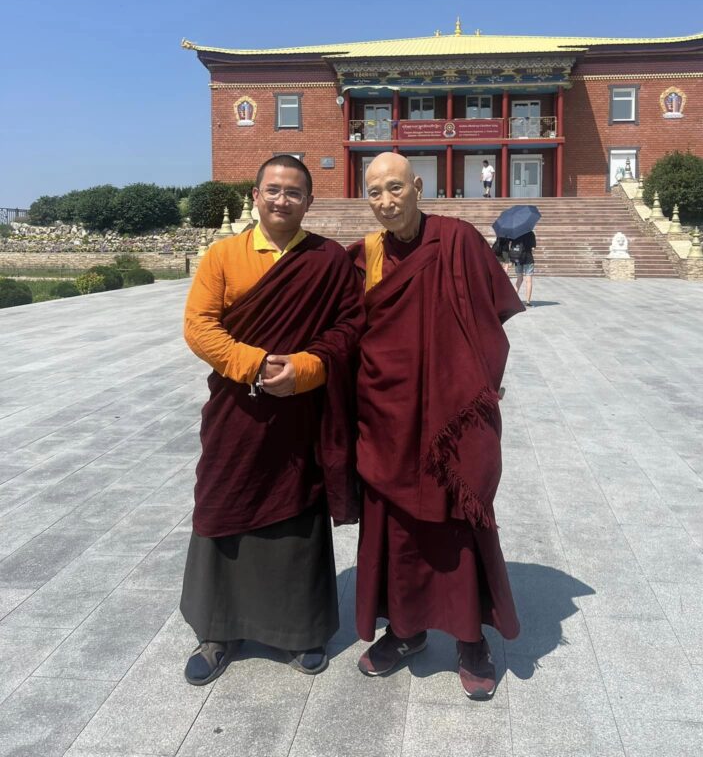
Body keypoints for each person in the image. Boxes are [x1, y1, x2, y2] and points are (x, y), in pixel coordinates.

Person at [180, 155, 363, 685]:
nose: (282, 200)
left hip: (299, 413)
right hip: (238, 407)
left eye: (294, 192)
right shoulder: (224, 256)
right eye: (273, 190)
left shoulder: (328, 260)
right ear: (256, 196)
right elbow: (199, 327)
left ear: (310, 201)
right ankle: (217, 631)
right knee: (221, 502)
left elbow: (351, 326)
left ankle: (301, 630)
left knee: (296, 508)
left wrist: (306, 369)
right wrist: (254, 366)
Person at [348, 152, 524, 700]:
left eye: (395, 187)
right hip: (389, 417)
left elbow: (490, 319)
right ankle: (405, 632)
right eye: (374, 191)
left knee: (457, 521)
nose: (385, 201)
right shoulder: (366, 257)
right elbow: (350, 330)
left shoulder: (457, 240)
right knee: (395, 529)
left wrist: (479, 385)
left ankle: (471, 640)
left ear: (418, 186)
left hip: (449, 415)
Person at [511, 229, 536, 306]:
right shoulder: (531, 233)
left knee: (519, 279)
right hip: (528, 259)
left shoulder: (515, 233)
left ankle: (513, 300)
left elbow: (512, 247)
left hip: (518, 259)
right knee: (528, 281)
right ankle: (527, 302)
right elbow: (533, 248)